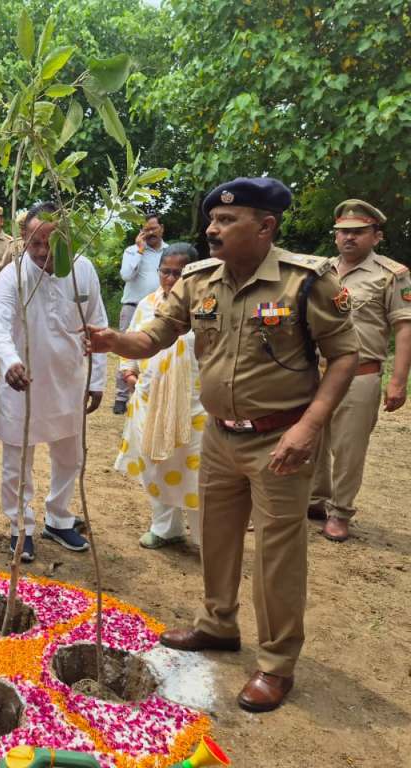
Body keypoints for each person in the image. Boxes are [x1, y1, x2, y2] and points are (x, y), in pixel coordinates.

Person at [89, 177, 359, 713]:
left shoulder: (305, 281)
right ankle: (217, 624)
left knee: (278, 554)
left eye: (227, 221)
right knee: (216, 534)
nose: (212, 229)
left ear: (265, 226)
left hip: (281, 437)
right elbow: (155, 336)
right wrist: (115, 341)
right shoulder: (198, 280)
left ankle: (278, 664)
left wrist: (310, 425)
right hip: (219, 435)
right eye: (212, 219)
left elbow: (346, 355)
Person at [0, 201, 107, 563]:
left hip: (70, 382)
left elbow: (97, 325)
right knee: (17, 462)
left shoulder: (83, 270)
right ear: (24, 239)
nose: (42, 252)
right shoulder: (12, 276)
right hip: (23, 384)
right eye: (34, 243)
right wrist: (9, 362)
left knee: (70, 457)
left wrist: (97, 378)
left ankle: (58, 517)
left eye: (50, 243)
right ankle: (19, 527)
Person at [309, 200, 411, 542]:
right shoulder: (320, 271)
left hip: (360, 373)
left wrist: (397, 381)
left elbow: (404, 327)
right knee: (312, 440)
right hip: (317, 372)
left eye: (357, 232)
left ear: (376, 236)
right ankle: (314, 500)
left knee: (349, 448)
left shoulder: (392, 274)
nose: (348, 239)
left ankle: (341, 512)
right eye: (343, 233)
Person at [114, 243, 204, 549]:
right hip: (149, 403)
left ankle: (208, 540)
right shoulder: (146, 304)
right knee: (157, 467)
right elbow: (129, 344)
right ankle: (166, 529)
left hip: (195, 409)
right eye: (166, 271)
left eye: (179, 273)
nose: (171, 278)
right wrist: (129, 374)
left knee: (195, 473)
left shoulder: (208, 308)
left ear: (192, 275)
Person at [113, 215, 168, 414]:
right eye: (146, 229)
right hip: (133, 306)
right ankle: (121, 396)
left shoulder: (169, 251)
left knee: (157, 349)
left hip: (161, 307)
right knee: (125, 349)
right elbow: (126, 275)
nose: (150, 233)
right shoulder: (132, 251)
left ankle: (153, 392)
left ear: (161, 228)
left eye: (153, 228)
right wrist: (139, 250)